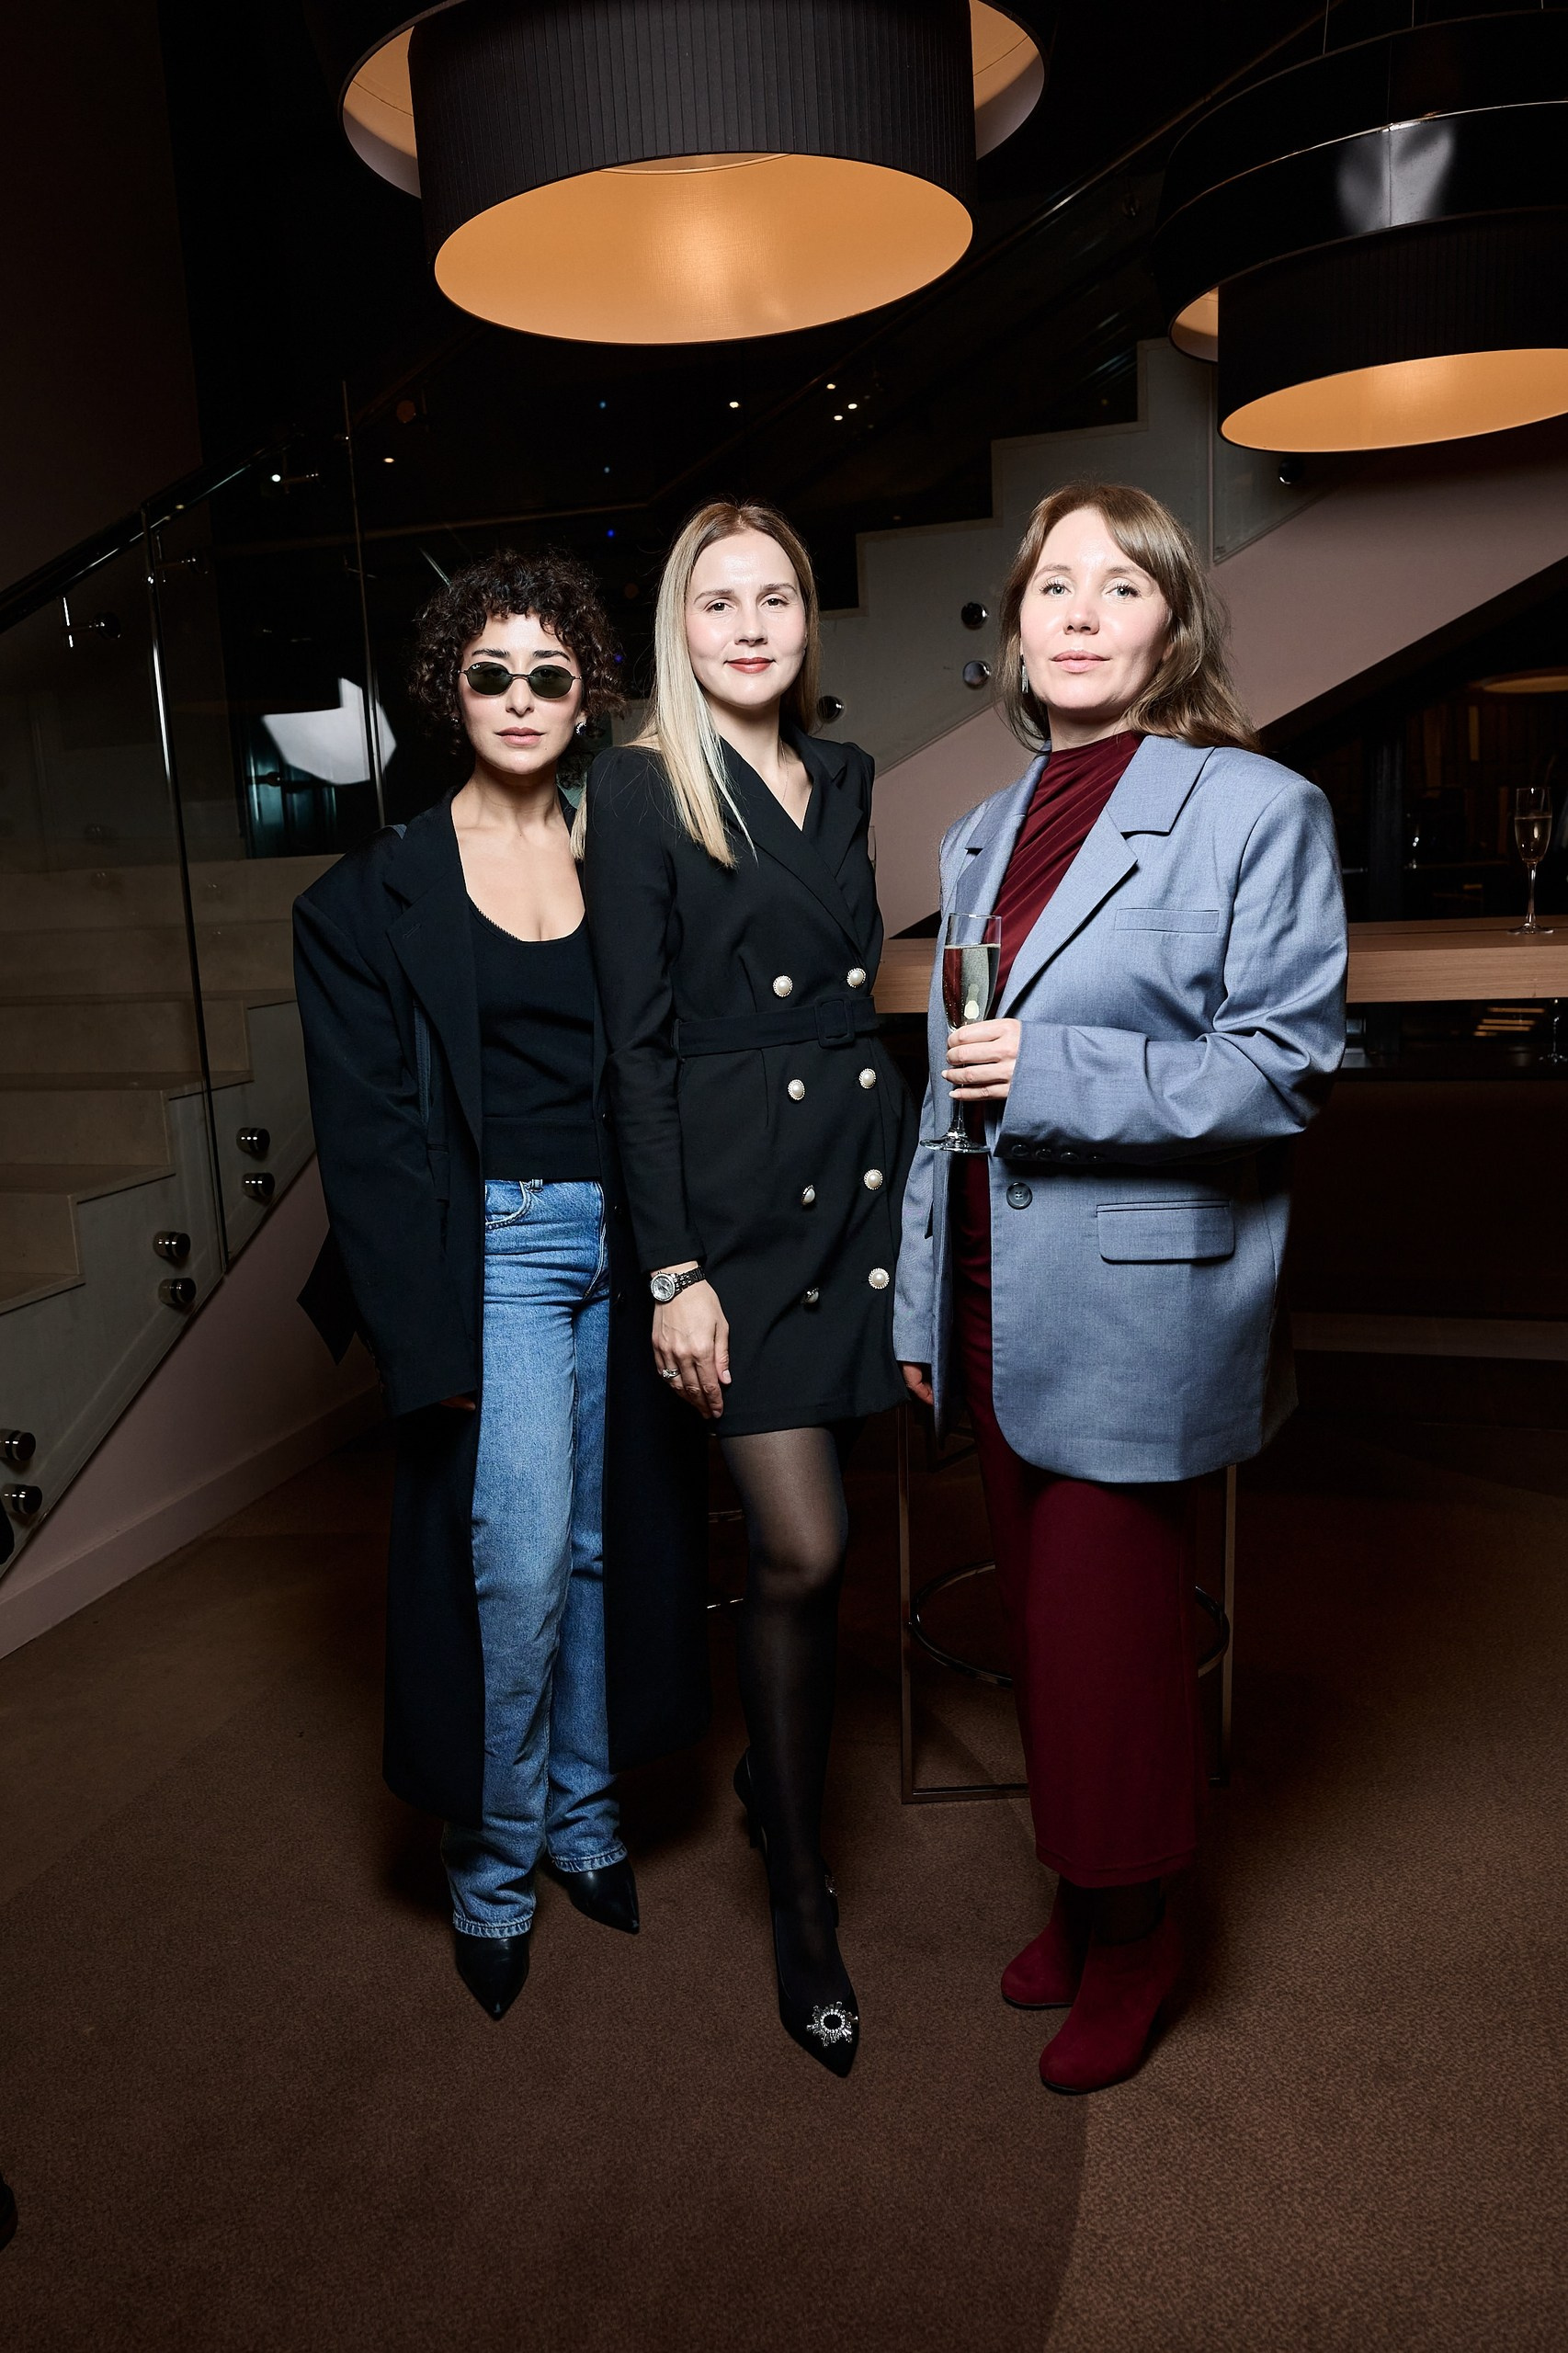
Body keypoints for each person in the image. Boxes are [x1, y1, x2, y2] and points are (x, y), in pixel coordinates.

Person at [895, 482, 1346, 2095]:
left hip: (1135, 1295)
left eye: (1120, 586)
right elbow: (946, 1083)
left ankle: (1140, 1930)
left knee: (1105, 1637)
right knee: (1041, 1622)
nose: (1079, 614)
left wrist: (1058, 1068)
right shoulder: (982, 829)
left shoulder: (1254, 806)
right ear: (1014, 627)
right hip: (988, 1285)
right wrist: (915, 1296)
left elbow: (1281, 1069)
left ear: (1172, 625)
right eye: (1050, 587)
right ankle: (1087, 1895)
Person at [295, 551, 707, 2022]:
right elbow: (368, 1144)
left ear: (586, 696)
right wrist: (430, 1339)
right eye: (490, 675)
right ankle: (491, 1861)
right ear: (447, 692)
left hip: (627, 1245)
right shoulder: (369, 896)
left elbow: (671, 1068)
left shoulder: (629, 859)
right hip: (496, 1254)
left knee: (602, 1548)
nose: (520, 698)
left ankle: (585, 1821)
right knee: (514, 1562)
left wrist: (690, 1262)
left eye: (549, 675)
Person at [580, 499, 914, 2075]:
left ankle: (769, 1785)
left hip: (852, 1184)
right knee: (801, 1542)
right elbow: (631, 1052)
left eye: (775, 595)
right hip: (729, 1216)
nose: (751, 625)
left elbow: (851, 992)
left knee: (824, 1546)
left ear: (804, 616)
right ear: (680, 624)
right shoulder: (639, 787)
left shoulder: (841, 774)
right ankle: (798, 1892)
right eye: (718, 601)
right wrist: (673, 1272)